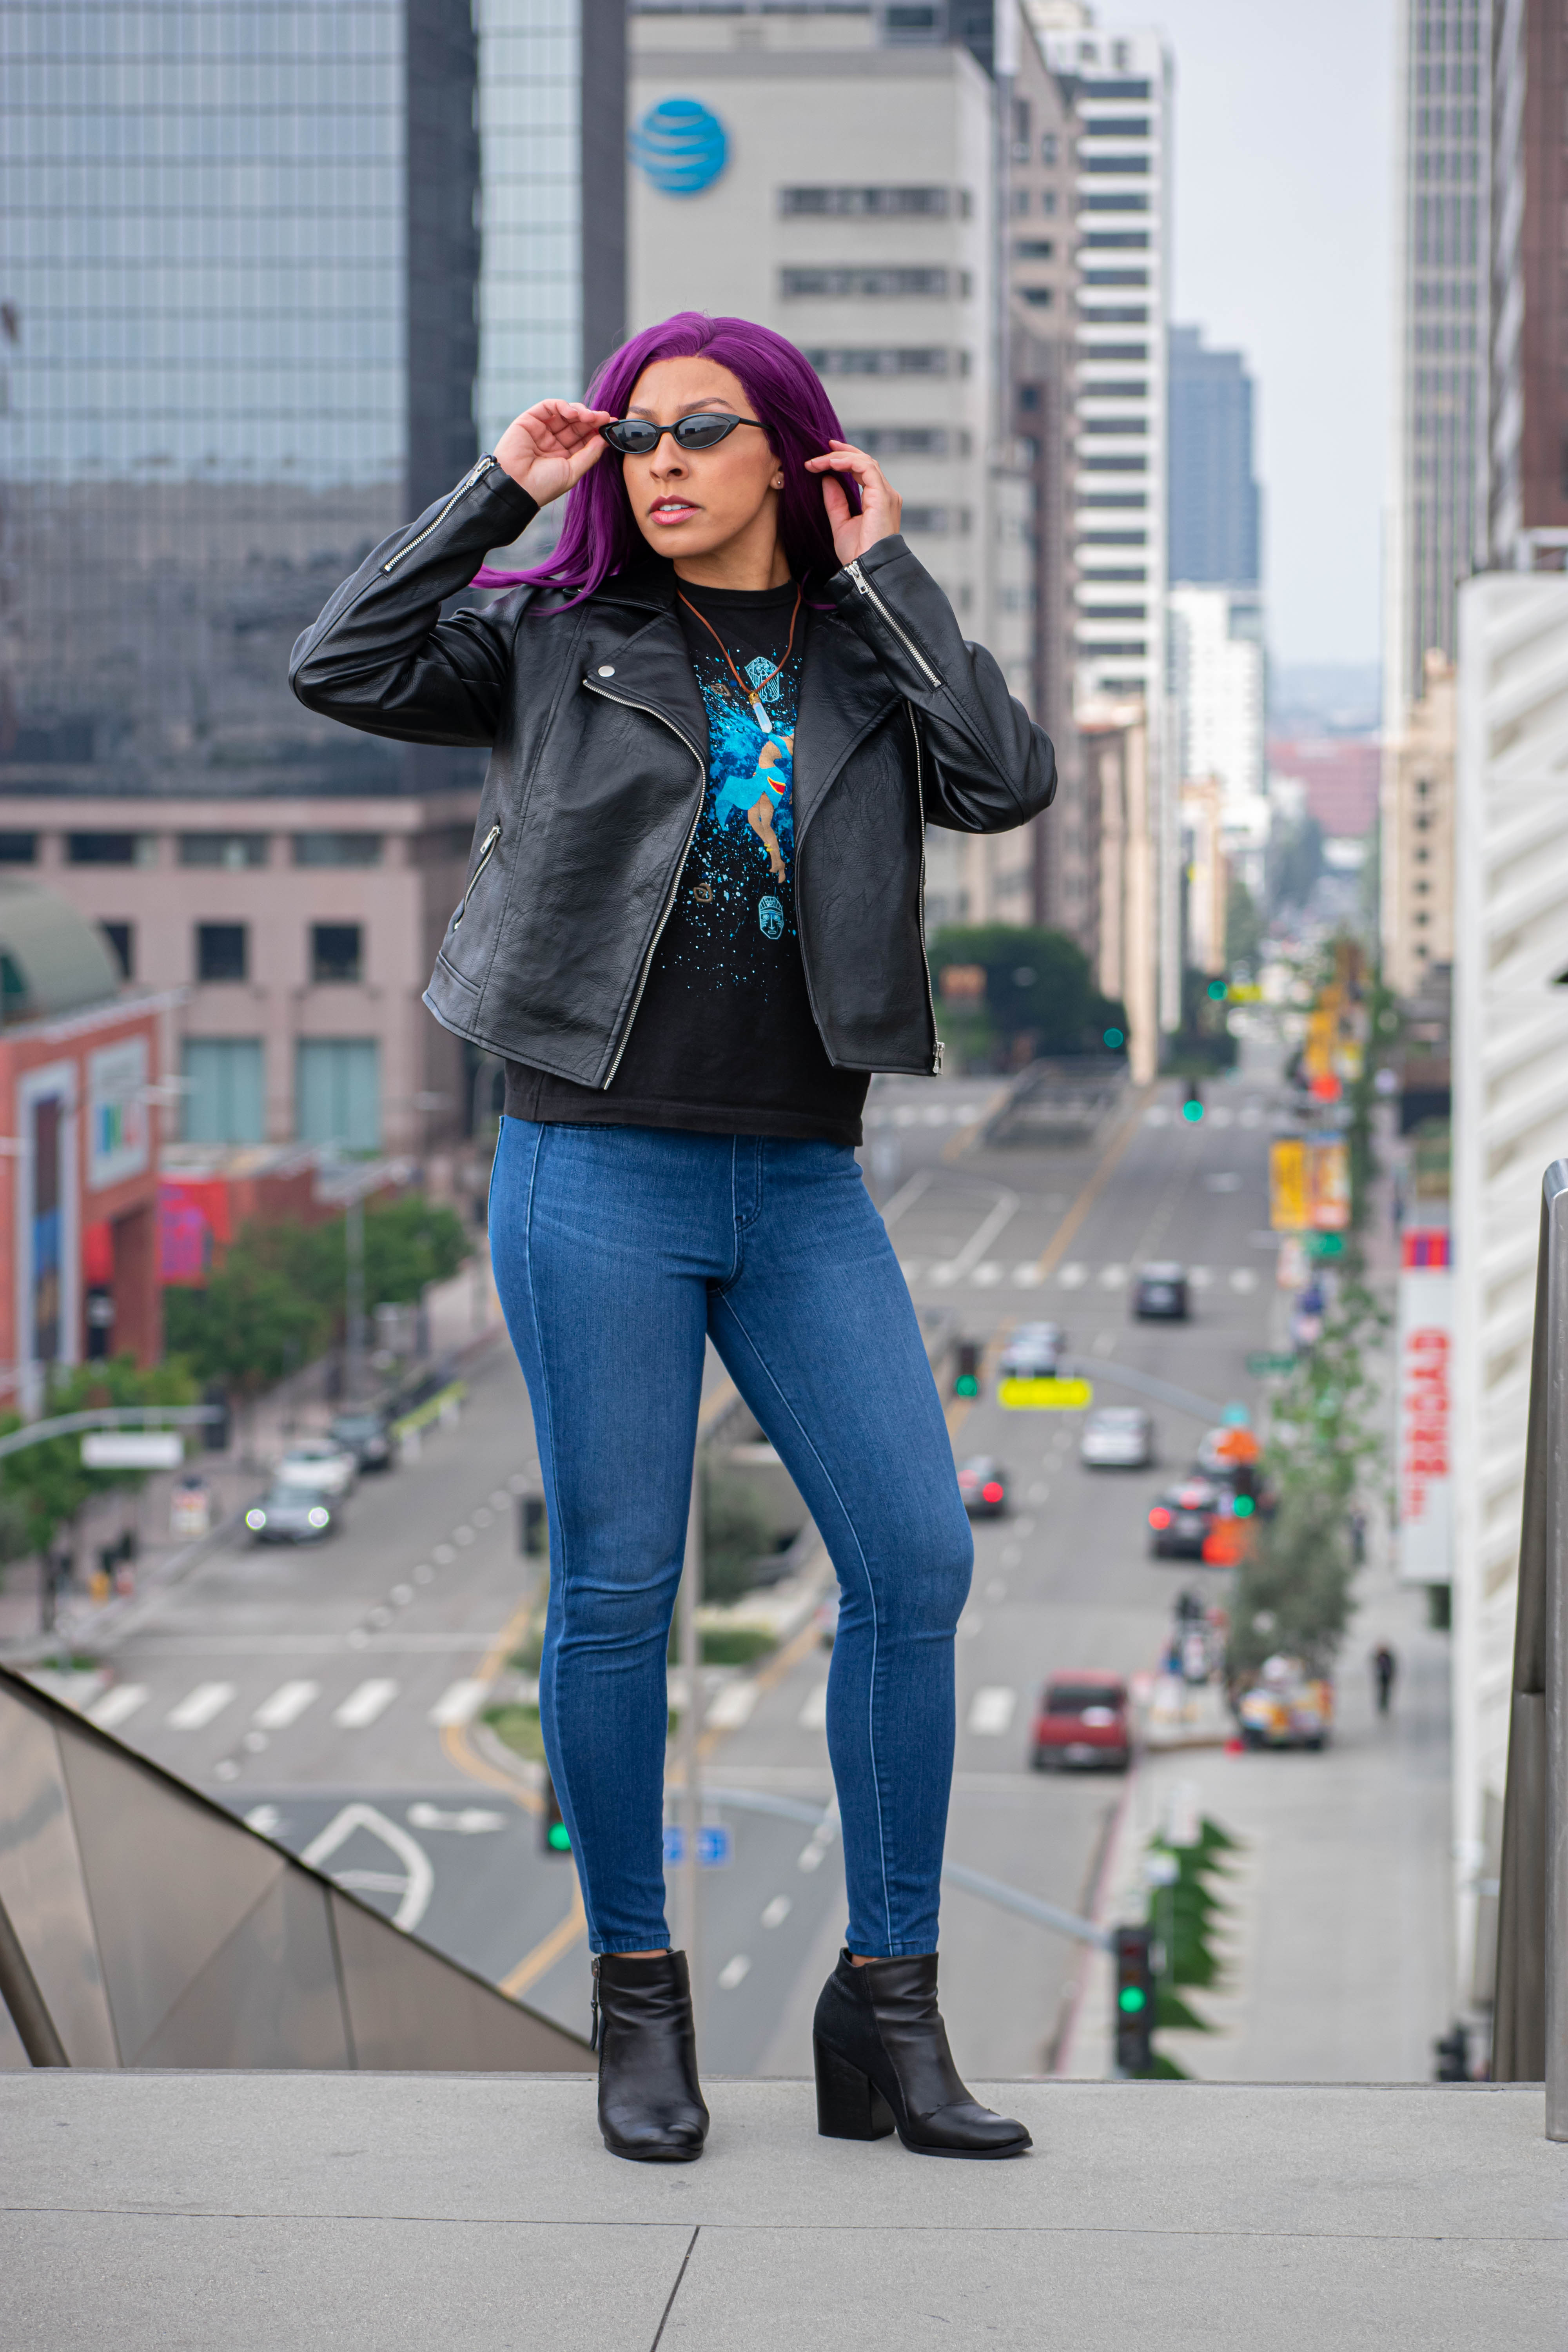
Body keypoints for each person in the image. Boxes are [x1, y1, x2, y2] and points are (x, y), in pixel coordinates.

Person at [291, 311, 1054, 2167]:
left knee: (914, 1563)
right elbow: (341, 659)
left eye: (702, 428)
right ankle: (635, 2000)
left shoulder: (867, 655)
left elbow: (1006, 776)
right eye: (636, 434)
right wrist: (499, 489)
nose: (661, 459)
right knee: (616, 1593)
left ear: (791, 451)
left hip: (799, 1180)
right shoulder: (557, 641)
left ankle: (887, 2003)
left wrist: (890, 570)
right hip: (594, 1170)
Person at [1372, 1643, 1397, 1715]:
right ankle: (1382, 1706)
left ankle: (1385, 1706)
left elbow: (1392, 1667)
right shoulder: (1379, 1657)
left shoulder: (1388, 1657)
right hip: (1381, 1677)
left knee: (1386, 1691)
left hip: (1387, 1677)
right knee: (1381, 1691)